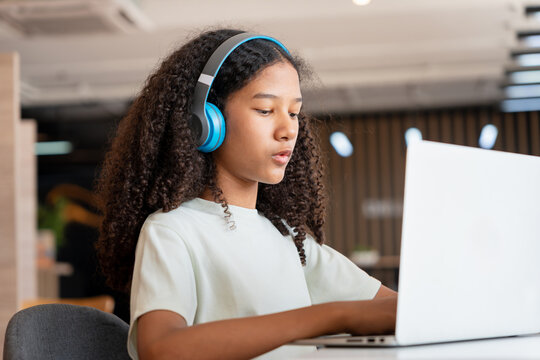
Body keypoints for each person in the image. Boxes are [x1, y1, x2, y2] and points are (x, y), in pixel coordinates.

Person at [95, 28, 397, 360]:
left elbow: (388, 307)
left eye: (294, 113)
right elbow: (161, 349)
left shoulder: (286, 237)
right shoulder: (172, 230)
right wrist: (334, 315)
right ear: (207, 121)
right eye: (266, 110)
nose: (288, 131)